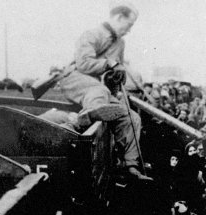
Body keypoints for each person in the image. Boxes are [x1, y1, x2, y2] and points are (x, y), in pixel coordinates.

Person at [60, 2, 151, 180]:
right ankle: (89, 114)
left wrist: (117, 80)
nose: (129, 30)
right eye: (129, 24)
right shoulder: (91, 35)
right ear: (119, 18)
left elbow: (117, 72)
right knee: (98, 90)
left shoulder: (120, 43)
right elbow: (84, 64)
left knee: (132, 118)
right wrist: (108, 64)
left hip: (99, 91)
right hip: (76, 79)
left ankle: (130, 166)